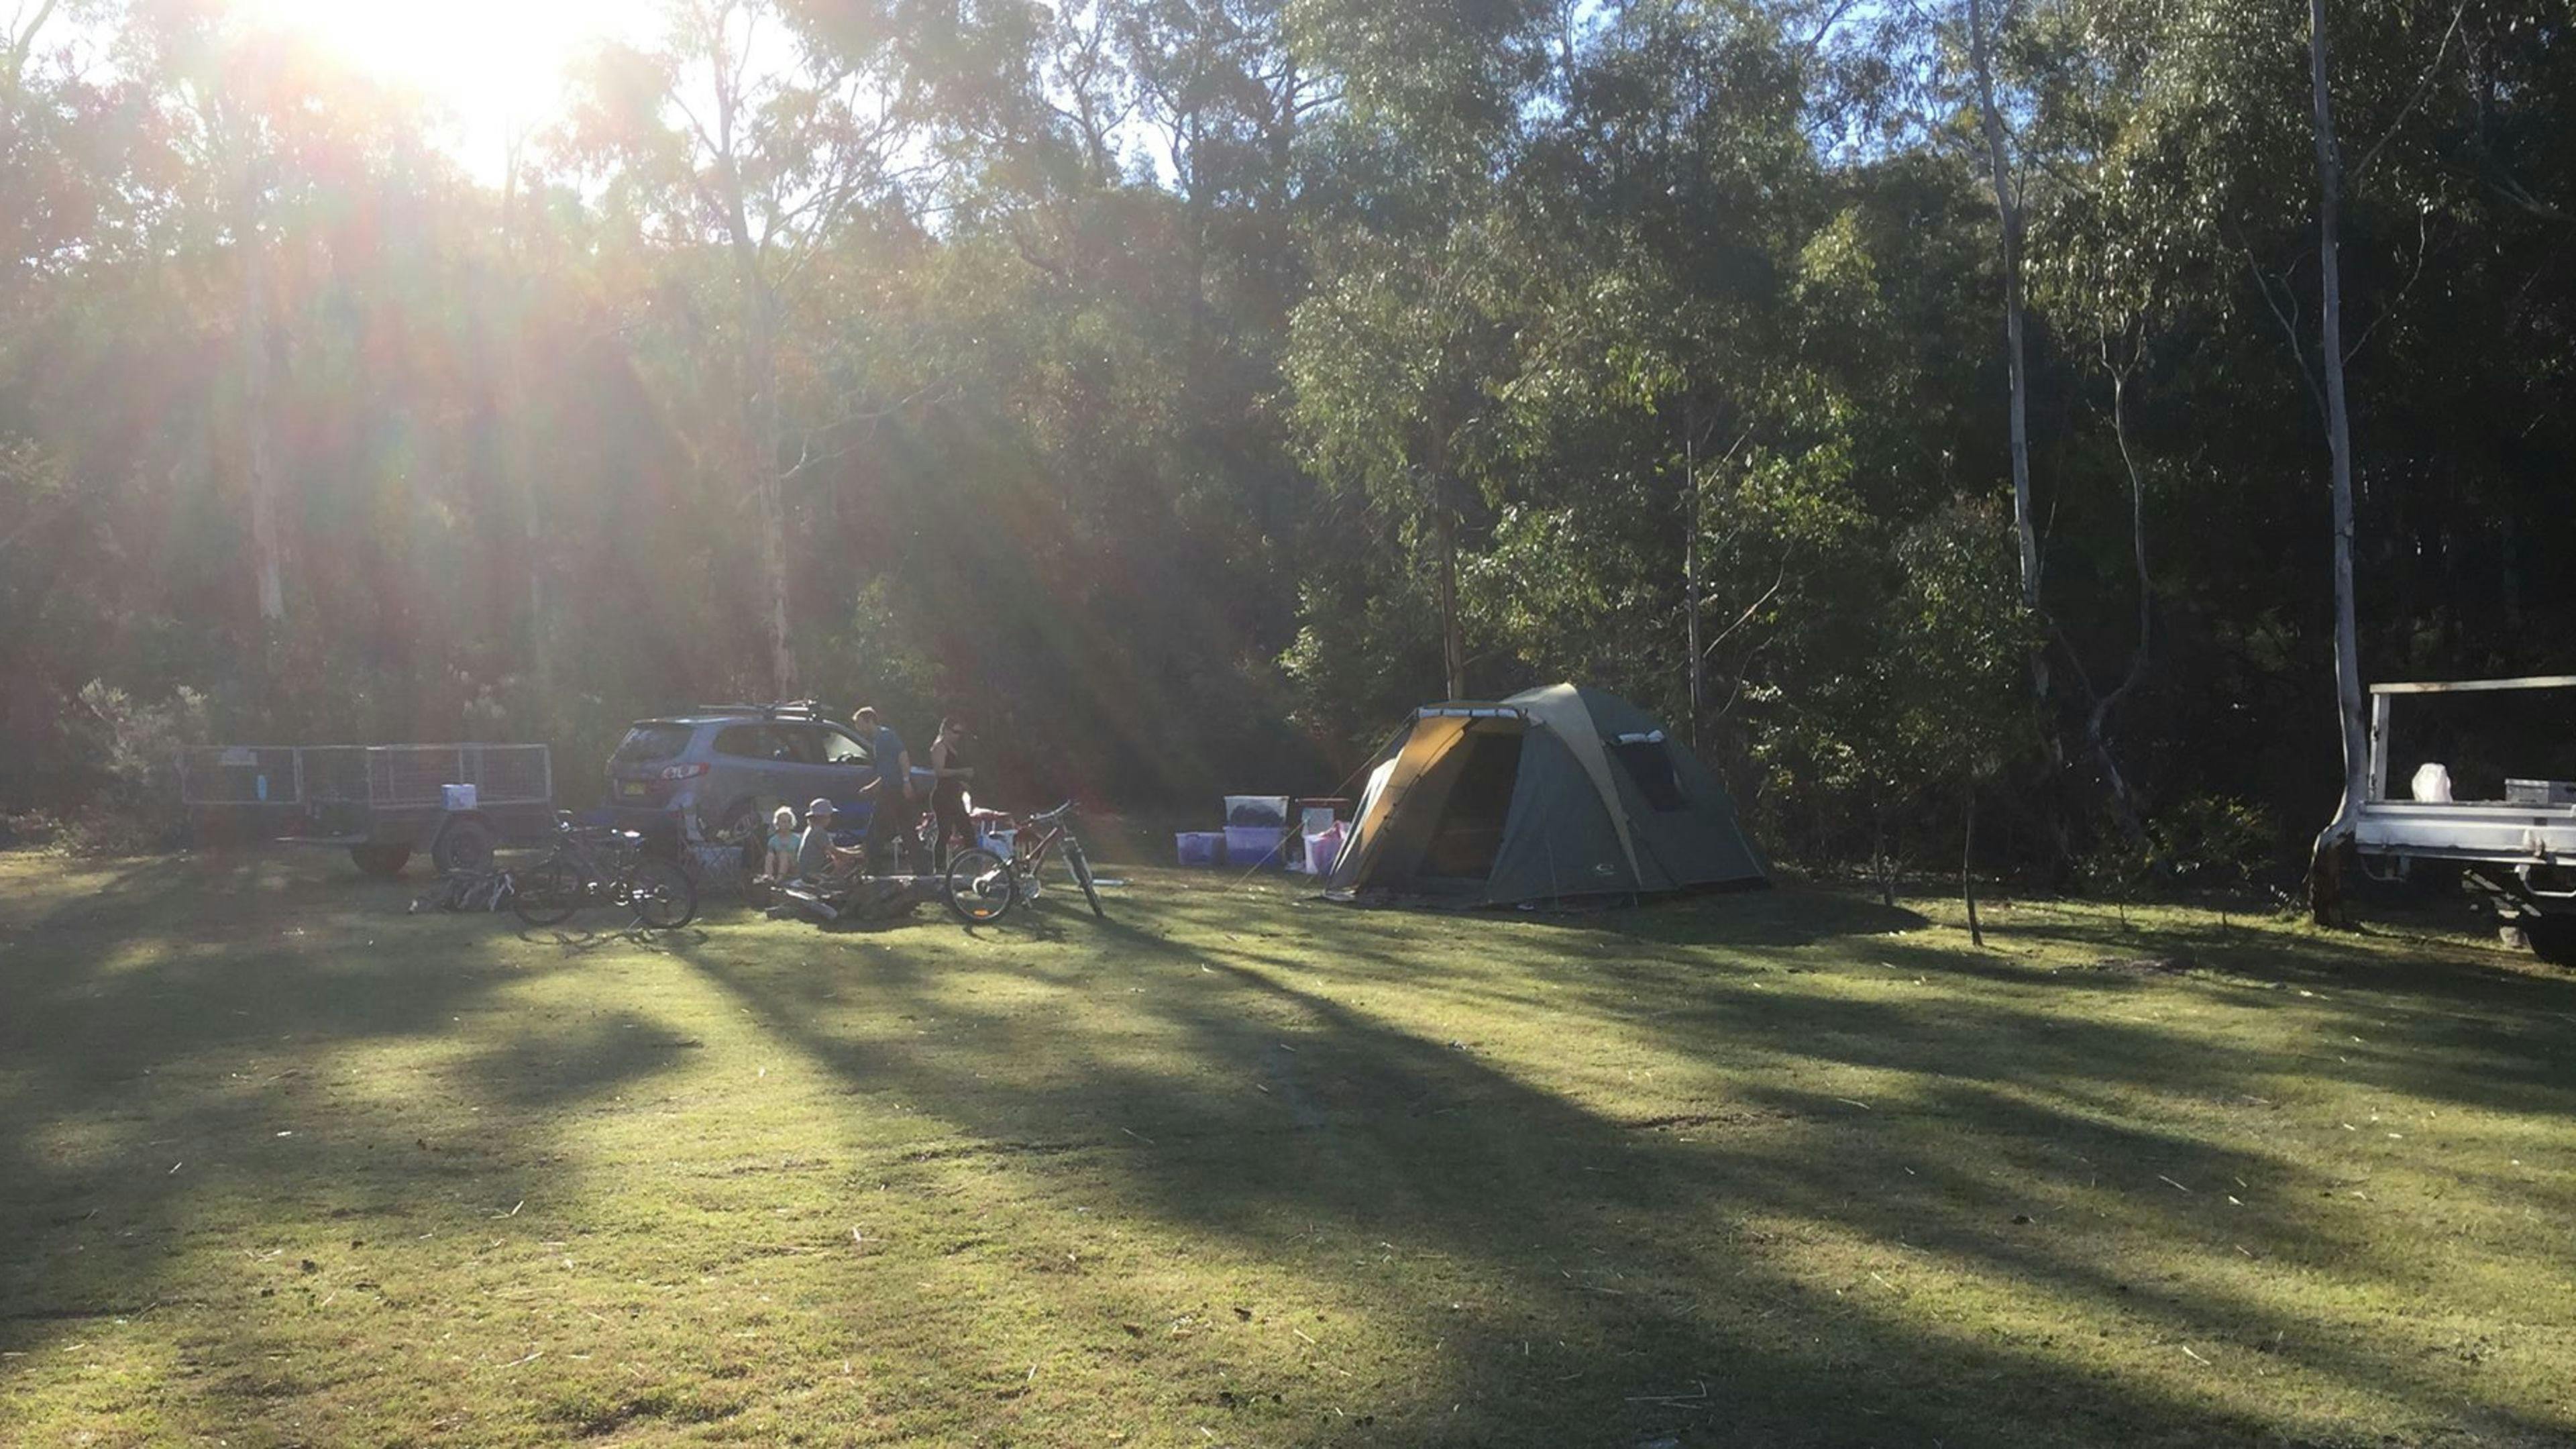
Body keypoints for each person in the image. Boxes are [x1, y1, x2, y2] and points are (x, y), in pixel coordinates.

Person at [851, 705, 914, 875]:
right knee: (906, 828)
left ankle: (873, 868)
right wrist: (872, 787)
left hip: (893, 789)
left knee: (876, 830)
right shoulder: (878, 740)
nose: (858, 728)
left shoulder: (886, 737)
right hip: (890, 787)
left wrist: (906, 781)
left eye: (859, 723)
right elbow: (886, 771)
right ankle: (921, 867)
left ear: (870, 721)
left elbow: (903, 757)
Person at [928, 716, 978, 870]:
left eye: (960, 733)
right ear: (945, 730)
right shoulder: (939, 747)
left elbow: (951, 775)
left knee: (967, 830)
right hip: (943, 796)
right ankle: (940, 867)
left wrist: (962, 783)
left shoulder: (952, 748)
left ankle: (973, 863)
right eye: (955, 732)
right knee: (945, 832)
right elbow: (939, 772)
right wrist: (962, 772)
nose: (958, 736)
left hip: (954, 794)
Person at [794, 798, 862, 881]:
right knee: (844, 862)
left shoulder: (811, 828)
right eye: (829, 816)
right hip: (813, 873)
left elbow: (832, 848)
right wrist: (856, 854)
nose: (830, 819)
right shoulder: (819, 832)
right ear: (822, 817)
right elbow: (836, 853)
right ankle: (840, 883)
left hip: (807, 871)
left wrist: (854, 849)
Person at [763, 804, 800, 880]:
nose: (786, 824)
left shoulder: (797, 839)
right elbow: (770, 856)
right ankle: (768, 876)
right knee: (770, 856)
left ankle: (780, 879)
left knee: (784, 854)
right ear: (777, 823)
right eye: (783, 822)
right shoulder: (773, 840)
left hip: (793, 866)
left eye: (789, 822)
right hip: (778, 865)